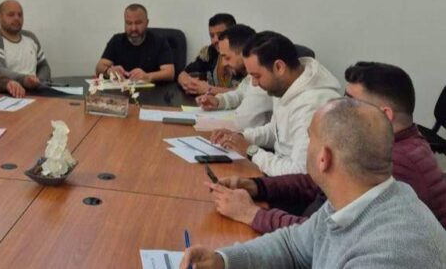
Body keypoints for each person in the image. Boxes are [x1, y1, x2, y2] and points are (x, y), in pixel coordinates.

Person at [180, 98, 446, 269]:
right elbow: (293, 245)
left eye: (310, 138)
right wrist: (224, 260)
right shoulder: (354, 200)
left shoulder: (391, 252)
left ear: (323, 158)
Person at [207, 61, 446, 232]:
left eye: (351, 103)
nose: (340, 109)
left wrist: (252, 214)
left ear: (384, 115)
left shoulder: (396, 165)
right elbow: (317, 182)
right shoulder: (374, 145)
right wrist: (257, 186)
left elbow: (327, 235)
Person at [211, 31, 340, 176]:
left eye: (257, 76)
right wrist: (241, 137)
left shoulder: (312, 105)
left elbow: (300, 173)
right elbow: (275, 131)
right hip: (277, 171)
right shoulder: (285, 85)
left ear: (279, 67)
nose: (254, 83)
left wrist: (251, 151)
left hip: (292, 183)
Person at [196, 24, 273, 130]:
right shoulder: (251, 77)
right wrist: (218, 101)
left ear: (244, 53)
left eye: (227, 57)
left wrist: (202, 123)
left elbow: (242, 123)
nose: (223, 64)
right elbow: (239, 93)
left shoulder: (262, 81)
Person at [0, 0, 50, 90]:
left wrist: (39, 82)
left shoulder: (31, 37)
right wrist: (24, 80)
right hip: (5, 92)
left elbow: (44, 66)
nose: (16, 18)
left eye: (20, 15)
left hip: (34, 91)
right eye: (11, 15)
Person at [94, 4, 175, 82]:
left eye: (138, 23)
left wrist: (148, 76)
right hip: (122, 89)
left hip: (152, 90)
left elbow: (170, 73)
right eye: (129, 23)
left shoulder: (159, 41)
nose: (133, 28)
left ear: (147, 23)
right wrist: (109, 71)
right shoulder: (116, 40)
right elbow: (99, 67)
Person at [179, 13, 237, 96]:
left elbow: (245, 94)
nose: (215, 40)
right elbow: (183, 73)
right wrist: (188, 84)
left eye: (220, 35)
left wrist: (209, 89)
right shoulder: (210, 52)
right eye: (212, 36)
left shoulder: (245, 58)